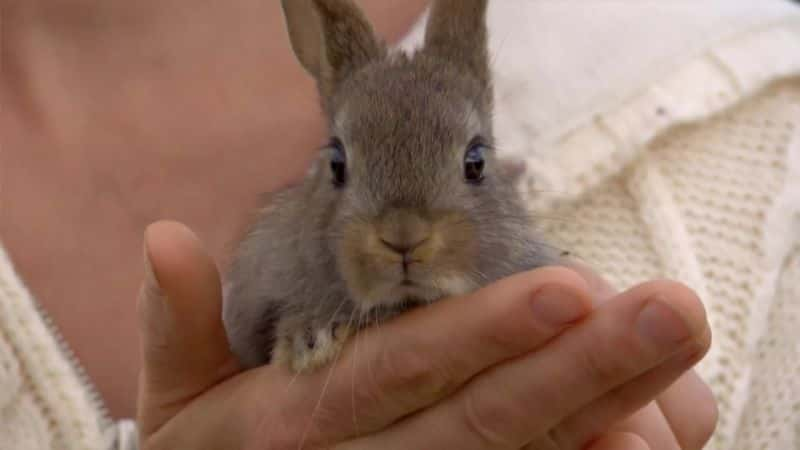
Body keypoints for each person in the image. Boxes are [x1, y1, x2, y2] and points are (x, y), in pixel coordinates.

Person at [22, 0, 800, 449]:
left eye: (468, 170)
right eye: (344, 171)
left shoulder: (768, 111)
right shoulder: (283, 258)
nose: (401, 232)